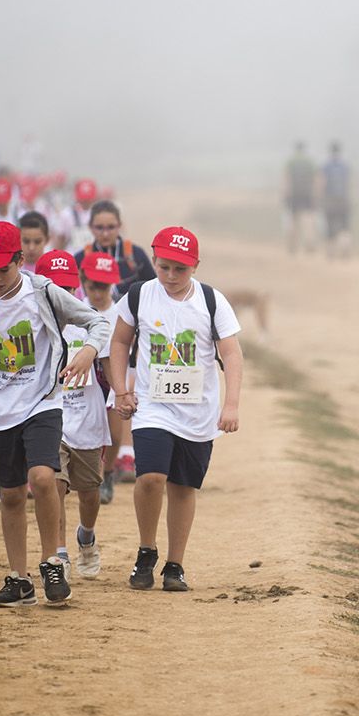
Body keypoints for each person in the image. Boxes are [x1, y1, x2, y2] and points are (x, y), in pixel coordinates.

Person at [0, 222, 108, 609]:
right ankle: (19, 580)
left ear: (20, 260)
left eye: (2, 269)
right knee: (10, 495)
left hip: (42, 401)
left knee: (42, 477)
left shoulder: (44, 291)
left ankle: (52, 561)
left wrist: (88, 350)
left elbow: (98, 321)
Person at [109, 226, 244, 593]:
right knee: (150, 478)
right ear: (154, 261)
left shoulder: (212, 302)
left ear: (195, 266)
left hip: (198, 412)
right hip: (153, 406)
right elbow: (120, 342)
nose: (170, 276)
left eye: (179, 270)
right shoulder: (139, 296)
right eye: (164, 267)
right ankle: (146, 550)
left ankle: (175, 564)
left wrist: (230, 404)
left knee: (184, 487)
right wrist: (122, 390)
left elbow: (231, 353)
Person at [37, 251, 114, 579]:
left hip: (88, 419)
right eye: (57, 289)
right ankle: (60, 552)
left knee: (89, 491)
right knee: (54, 483)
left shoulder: (91, 322)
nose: (64, 297)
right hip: (50, 416)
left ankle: (86, 535)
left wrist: (122, 394)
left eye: (69, 289)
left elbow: (110, 366)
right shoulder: (34, 323)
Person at [79, 199, 155, 484]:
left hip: (127, 336)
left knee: (125, 397)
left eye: (111, 227)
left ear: (119, 226)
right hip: (87, 338)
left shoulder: (134, 255)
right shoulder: (79, 258)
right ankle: (97, 466)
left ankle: (123, 455)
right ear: (91, 228)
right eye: (99, 227)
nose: (106, 233)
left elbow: (153, 287)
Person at [78, 250, 125, 507]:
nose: (98, 291)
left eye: (104, 285)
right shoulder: (76, 310)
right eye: (93, 284)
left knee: (116, 434)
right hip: (83, 382)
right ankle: (86, 477)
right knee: (86, 433)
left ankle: (108, 474)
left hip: (113, 378)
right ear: (83, 280)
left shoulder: (121, 313)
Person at [283, 141, 318, 255]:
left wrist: (286, 194)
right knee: (308, 220)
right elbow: (317, 179)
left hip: (294, 195)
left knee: (293, 221)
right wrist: (315, 194)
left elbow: (286, 179)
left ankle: (292, 246)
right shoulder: (310, 162)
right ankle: (309, 243)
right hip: (307, 195)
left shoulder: (291, 161)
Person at [319, 141, 352, 259]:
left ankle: (330, 252)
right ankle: (345, 248)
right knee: (344, 226)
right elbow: (347, 184)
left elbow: (322, 183)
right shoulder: (344, 166)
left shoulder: (326, 166)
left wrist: (320, 197)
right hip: (343, 200)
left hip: (330, 200)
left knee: (329, 226)